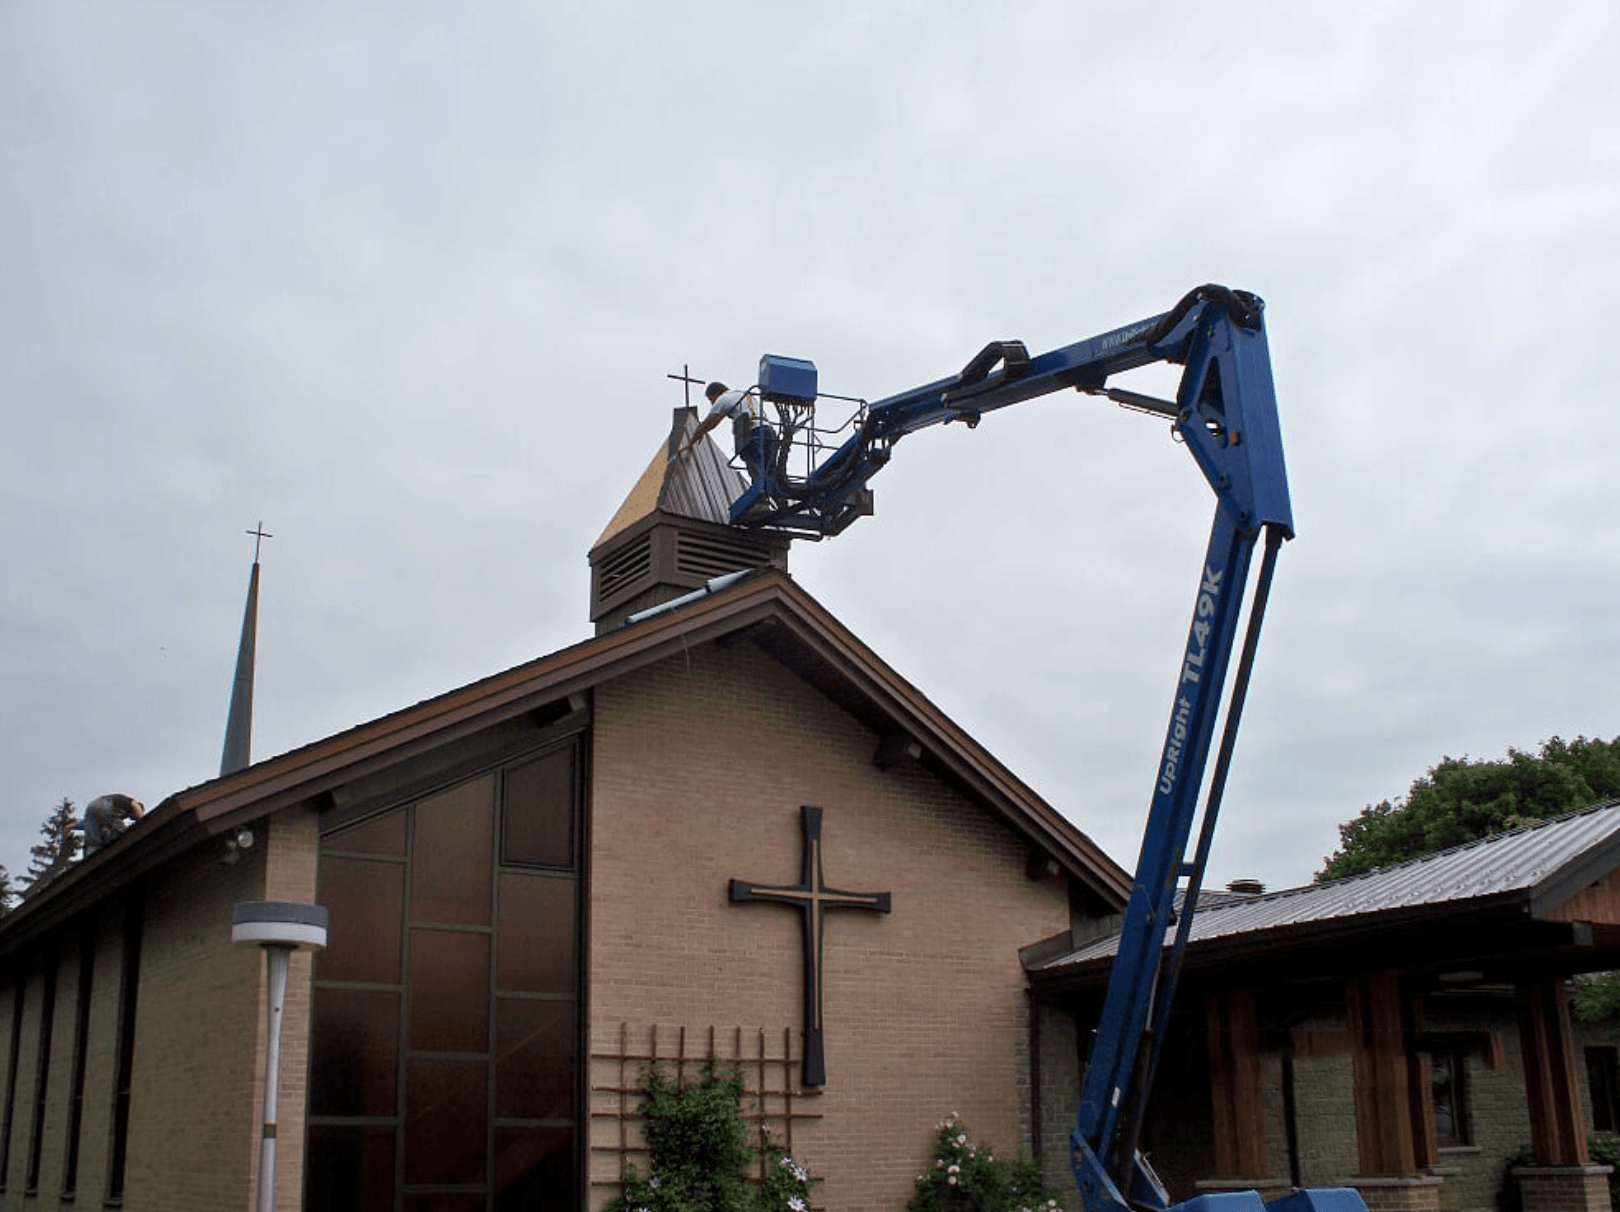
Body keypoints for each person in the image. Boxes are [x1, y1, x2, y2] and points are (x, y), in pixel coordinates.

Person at [684, 381, 780, 485]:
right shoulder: (743, 394)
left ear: (717, 393)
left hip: (753, 432)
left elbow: (707, 423)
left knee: (753, 462)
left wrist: (690, 443)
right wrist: (703, 432)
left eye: (711, 399)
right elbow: (714, 423)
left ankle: (759, 492)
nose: (712, 403)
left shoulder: (723, 399)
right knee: (770, 468)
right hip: (769, 431)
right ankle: (778, 497)